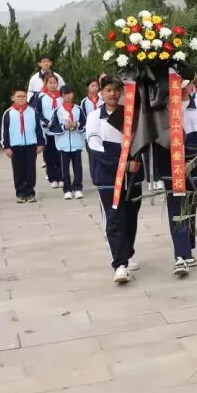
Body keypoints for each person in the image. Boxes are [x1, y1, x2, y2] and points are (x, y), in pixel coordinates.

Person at [86, 78, 143, 285]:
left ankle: (127, 251)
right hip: (108, 176)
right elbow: (95, 145)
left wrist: (135, 160)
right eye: (108, 90)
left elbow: (139, 140)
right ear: (101, 92)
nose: (112, 94)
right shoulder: (94, 116)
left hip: (133, 175)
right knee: (115, 217)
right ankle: (120, 264)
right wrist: (122, 163)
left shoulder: (129, 115)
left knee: (131, 216)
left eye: (116, 90)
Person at [165, 84, 197, 277]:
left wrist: (193, 163)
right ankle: (181, 255)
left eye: (184, 83)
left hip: (193, 167)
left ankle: (188, 246)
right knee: (176, 209)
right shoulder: (164, 109)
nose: (181, 87)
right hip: (170, 168)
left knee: (190, 206)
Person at [1, 87, 44, 203]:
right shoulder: (8, 113)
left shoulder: (32, 111)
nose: (21, 98)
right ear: (13, 98)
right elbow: (5, 132)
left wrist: (40, 143)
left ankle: (30, 192)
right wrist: (7, 146)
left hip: (30, 145)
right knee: (18, 170)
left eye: (23, 96)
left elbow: (38, 129)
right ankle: (20, 193)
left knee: (31, 169)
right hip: (16, 146)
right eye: (18, 96)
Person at [49, 85, 86, 200]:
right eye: (65, 94)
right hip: (63, 144)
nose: (68, 96)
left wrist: (76, 125)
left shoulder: (78, 109)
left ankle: (78, 188)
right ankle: (67, 189)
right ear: (62, 96)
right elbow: (52, 127)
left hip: (76, 143)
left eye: (70, 93)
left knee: (78, 167)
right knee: (64, 168)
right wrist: (64, 127)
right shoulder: (58, 111)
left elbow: (84, 123)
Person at [35, 73, 64, 189]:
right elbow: (38, 113)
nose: (53, 85)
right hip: (47, 131)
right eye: (50, 83)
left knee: (60, 154)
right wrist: (46, 122)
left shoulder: (62, 97)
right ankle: (52, 177)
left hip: (60, 131)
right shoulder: (41, 97)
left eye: (55, 83)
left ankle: (62, 176)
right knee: (49, 155)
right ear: (46, 84)